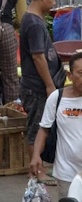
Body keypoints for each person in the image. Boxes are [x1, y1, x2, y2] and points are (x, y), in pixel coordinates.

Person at [22, 0, 63, 153]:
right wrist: (49, 85)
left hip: (38, 85)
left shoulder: (35, 19)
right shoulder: (34, 24)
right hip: (36, 87)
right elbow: (38, 57)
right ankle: (35, 165)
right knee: (37, 129)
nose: (53, 3)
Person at [32, 52, 82, 185]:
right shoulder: (57, 98)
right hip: (67, 174)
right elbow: (44, 129)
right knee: (68, 199)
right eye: (81, 73)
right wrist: (36, 155)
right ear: (70, 75)